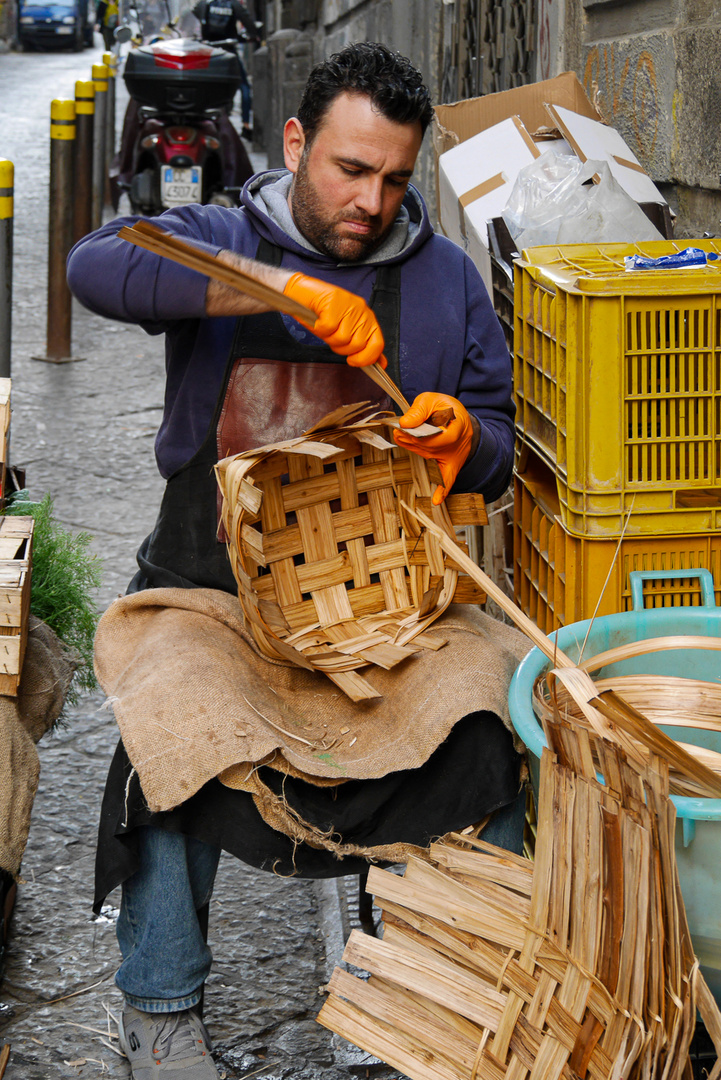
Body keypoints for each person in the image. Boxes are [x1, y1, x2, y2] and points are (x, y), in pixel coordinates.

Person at [67, 42, 524, 1080]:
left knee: (487, 710)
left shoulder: (445, 280)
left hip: (383, 606)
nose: (370, 201)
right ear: (294, 143)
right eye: (348, 170)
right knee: (169, 722)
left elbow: (495, 442)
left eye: (395, 179)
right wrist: (264, 288)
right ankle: (163, 1016)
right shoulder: (222, 236)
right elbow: (94, 266)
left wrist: (465, 443)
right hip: (210, 591)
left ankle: (412, 994)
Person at [192, 0, 261, 140]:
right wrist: (253, 34)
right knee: (244, 87)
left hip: (208, 52)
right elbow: (250, 25)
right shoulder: (234, 5)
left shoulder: (204, 5)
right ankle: (246, 124)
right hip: (228, 51)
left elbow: (195, 13)